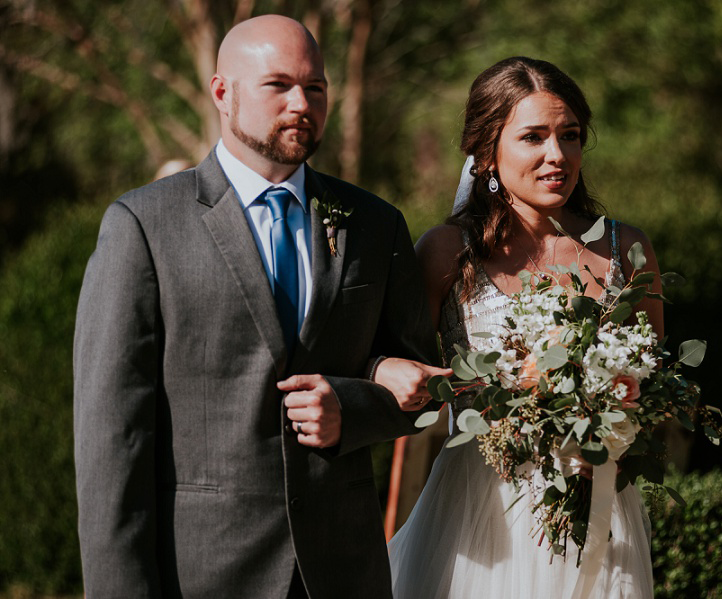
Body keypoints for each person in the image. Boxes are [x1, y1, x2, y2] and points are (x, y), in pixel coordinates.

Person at [73, 15, 444, 599]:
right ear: (223, 93)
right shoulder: (143, 226)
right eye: (279, 85)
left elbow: (427, 391)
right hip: (204, 573)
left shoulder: (375, 224)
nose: (302, 103)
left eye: (315, 87)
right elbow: (111, 443)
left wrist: (353, 404)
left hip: (343, 573)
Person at [385, 57, 662, 598]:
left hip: (599, 504)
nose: (557, 155)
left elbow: (652, 386)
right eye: (533, 137)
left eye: (570, 136)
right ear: (486, 153)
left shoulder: (625, 251)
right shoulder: (445, 252)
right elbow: (406, 382)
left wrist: (616, 417)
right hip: (481, 515)